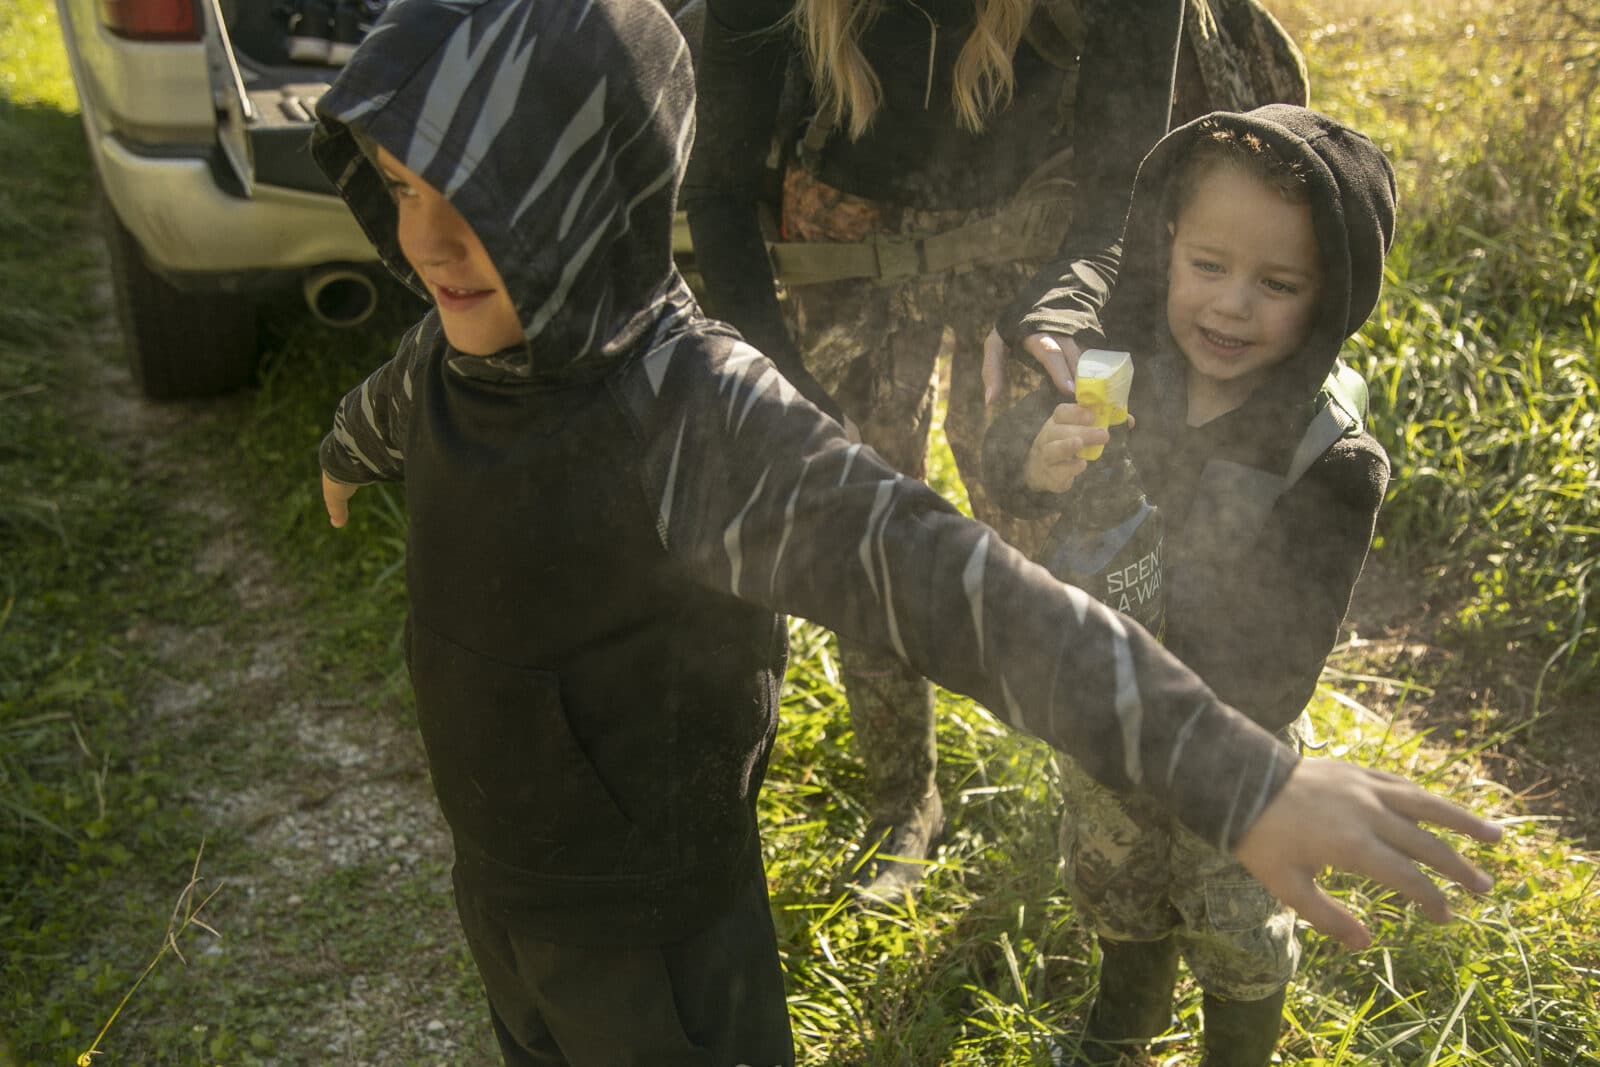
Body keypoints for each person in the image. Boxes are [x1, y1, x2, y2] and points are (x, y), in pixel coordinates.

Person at [310, 4, 1497, 1063]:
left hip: (649, 926)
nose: (428, 241)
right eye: (403, 186)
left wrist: (1242, 777)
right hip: (500, 878)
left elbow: (964, 590)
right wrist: (343, 447)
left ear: (592, 196)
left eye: (482, 204)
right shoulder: (462, 352)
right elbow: (401, 391)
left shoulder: (693, 417)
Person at [681, 0, 1217, 903]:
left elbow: (1127, 189)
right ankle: (902, 804)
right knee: (861, 533)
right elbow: (719, 188)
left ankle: (1113, 827)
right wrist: (781, 384)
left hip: (1038, 244)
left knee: (1072, 540)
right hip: (843, 245)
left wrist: (1061, 315)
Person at [982, 105, 1407, 1065]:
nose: (1229, 306)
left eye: (1277, 283)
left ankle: (1236, 1048)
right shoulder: (1120, 375)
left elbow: (1281, 666)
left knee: (1240, 927)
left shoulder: (1326, 460)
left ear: (1329, 297)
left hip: (1232, 755)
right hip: (1102, 727)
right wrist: (1038, 465)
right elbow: (1011, 463)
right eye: (1207, 267)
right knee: (1118, 888)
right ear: (1167, 247)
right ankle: (1121, 1019)